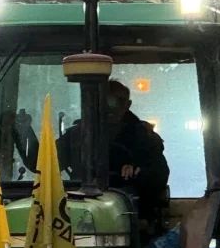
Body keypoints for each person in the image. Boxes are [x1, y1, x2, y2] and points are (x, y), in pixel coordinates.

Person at [58, 80, 170, 226]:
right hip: (78, 205)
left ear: (127, 105)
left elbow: (160, 176)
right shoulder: (76, 136)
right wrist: (25, 132)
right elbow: (45, 164)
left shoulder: (145, 137)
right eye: (107, 100)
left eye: (119, 101)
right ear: (96, 102)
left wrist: (138, 172)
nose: (112, 107)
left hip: (133, 212)